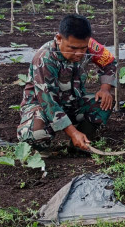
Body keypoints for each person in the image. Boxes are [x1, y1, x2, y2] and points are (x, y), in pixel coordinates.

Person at [18, 14, 116, 151]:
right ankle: (44, 150)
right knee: (36, 133)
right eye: (73, 48)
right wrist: (73, 132)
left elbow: (109, 62)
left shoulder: (88, 45)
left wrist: (105, 89)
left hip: (72, 103)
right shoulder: (44, 58)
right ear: (59, 39)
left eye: (83, 48)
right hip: (42, 107)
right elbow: (49, 103)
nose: (79, 53)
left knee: (104, 103)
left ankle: (81, 145)